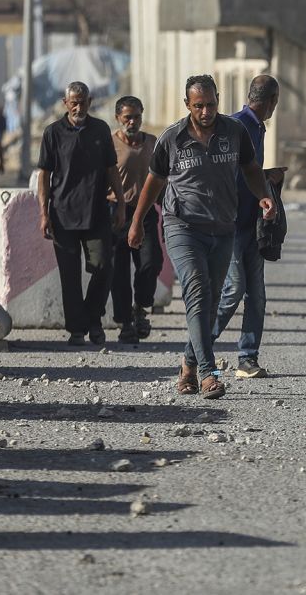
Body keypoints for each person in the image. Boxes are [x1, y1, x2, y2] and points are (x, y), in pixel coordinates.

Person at [127, 75, 276, 400]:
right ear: (187, 105)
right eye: (198, 106)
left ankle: (188, 366)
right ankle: (209, 374)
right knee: (196, 291)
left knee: (209, 303)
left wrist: (263, 195)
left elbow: (251, 168)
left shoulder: (234, 132)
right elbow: (154, 180)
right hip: (183, 226)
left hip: (223, 227)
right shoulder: (173, 137)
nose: (206, 111)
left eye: (210, 104)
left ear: (218, 100)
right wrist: (137, 221)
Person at [37, 82, 123, 347]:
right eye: (73, 102)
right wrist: (43, 213)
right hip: (62, 213)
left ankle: (93, 318)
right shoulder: (52, 133)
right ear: (65, 103)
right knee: (70, 275)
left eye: (83, 101)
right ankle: (78, 330)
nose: (78, 106)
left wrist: (120, 203)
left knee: (103, 266)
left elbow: (111, 169)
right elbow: (44, 175)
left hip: (96, 211)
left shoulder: (100, 130)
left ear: (90, 101)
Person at [213, 75, 285, 379]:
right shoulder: (236, 125)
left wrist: (268, 180)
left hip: (252, 223)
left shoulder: (256, 127)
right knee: (234, 288)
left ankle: (247, 358)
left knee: (257, 294)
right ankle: (198, 346)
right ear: (272, 102)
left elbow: (248, 171)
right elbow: (224, 170)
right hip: (231, 225)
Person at [109, 95, 162, 344]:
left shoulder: (152, 142)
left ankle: (141, 307)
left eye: (137, 116)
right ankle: (125, 322)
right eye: (127, 117)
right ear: (118, 118)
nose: (132, 121)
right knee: (119, 270)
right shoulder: (110, 144)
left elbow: (163, 176)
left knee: (150, 262)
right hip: (117, 211)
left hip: (147, 212)